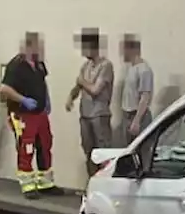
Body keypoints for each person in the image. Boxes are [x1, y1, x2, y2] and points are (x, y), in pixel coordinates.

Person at [0, 32, 54, 196]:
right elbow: (4, 89)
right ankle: (28, 185)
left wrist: (47, 102)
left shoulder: (39, 65)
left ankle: (45, 183)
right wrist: (23, 99)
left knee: (45, 145)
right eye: (39, 45)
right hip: (22, 113)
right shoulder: (16, 65)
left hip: (40, 113)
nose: (42, 49)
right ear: (29, 46)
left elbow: (42, 83)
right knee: (27, 147)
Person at [66, 27, 114, 178]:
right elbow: (78, 86)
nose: (83, 52)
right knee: (89, 151)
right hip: (85, 115)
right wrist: (70, 97)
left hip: (99, 115)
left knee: (102, 153)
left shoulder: (106, 66)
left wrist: (82, 81)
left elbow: (95, 90)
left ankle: (105, 183)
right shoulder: (85, 66)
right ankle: (92, 182)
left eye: (86, 48)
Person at [119, 34, 154, 144]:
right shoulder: (131, 68)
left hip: (138, 117)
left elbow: (145, 97)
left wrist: (137, 121)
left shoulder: (144, 70)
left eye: (124, 50)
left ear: (132, 50)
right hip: (128, 116)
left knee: (141, 151)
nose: (122, 53)